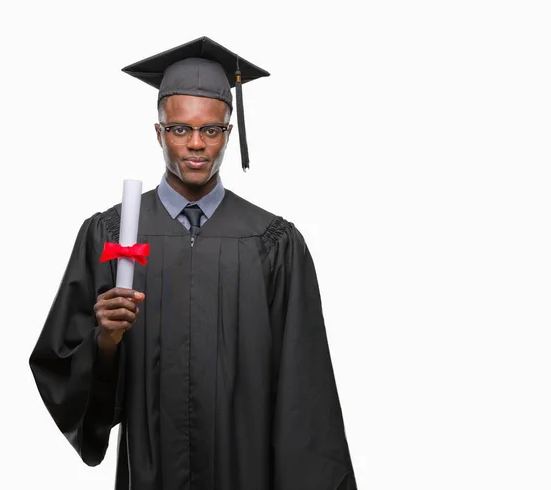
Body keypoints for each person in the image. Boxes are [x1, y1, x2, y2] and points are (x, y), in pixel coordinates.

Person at [29, 36, 357, 490]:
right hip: (151, 472)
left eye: (212, 129)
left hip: (247, 472)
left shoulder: (273, 244)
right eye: (180, 129)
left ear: (229, 130)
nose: (197, 144)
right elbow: (63, 370)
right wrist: (104, 342)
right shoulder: (110, 235)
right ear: (159, 131)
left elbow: (305, 390)